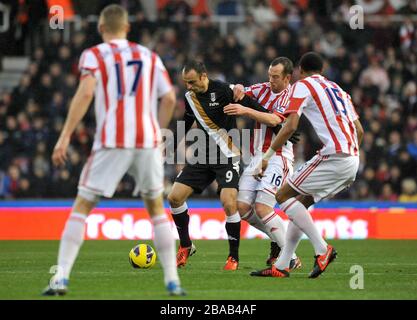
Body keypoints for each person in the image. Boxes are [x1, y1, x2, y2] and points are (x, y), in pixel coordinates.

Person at [42, 4, 185, 296]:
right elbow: (170, 98)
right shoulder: (149, 56)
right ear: (128, 28)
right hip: (146, 141)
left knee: (82, 207)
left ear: (101, 28)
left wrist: (65, 135)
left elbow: (85, 92)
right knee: (157, 209)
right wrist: (157, 132)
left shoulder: (94, 54)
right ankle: (173, 282)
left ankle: (61, 279)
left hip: (112, 140)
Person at [251, 52, 364, 278]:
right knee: (301, 202)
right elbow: (359, 131)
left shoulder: (302, 86)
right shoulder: (339, 90)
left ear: (299, 71)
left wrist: (268, 155)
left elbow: (291, 125)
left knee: (282, 195)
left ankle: (322, 249)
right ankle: (282, 266)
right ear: (322, 70)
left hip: (334, 155)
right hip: (352, 158)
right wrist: (348, 169)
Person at [167, 60, 275, 271]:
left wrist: (276, 122)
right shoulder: (190, 97)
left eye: (192, 82)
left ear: (203, 76)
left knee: (228, 202)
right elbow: (187, 121)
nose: (188, 87)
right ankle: (186, 245)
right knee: (174, 197)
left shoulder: (225, 90)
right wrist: (171, 144)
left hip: (227, 153)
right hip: (203, 154)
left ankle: (233, 257)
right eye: (185, 83)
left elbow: (249, 104)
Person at [223, 57, 302, 270]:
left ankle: (291, 257)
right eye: (269, 75)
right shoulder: (262, 88)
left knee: (262, 207)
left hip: (278, 156)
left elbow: (275, 120)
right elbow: (239, 91)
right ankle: (280, 241)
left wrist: (246, 111)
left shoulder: (292, 95)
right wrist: (237, 87)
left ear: (287, 78)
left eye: (276, 77)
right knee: (242, 207)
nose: (271, 80)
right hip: (257, 157)